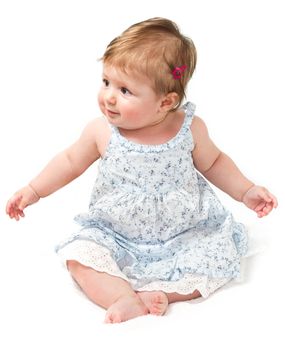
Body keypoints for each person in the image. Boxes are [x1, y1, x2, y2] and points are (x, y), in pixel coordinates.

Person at [6, 17, 278, 324]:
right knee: (79, 257)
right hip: (116, 233)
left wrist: (246, 190)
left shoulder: (189, 130)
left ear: (166, 102)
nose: (109, 96)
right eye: (106, 81)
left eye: (125, 90)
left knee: (215, 259)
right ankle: (122, 296)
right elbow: (69, 161)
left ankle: (165, 293)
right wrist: (34, 190)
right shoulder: (102, 132)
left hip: (183, 233)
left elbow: (214, 163)